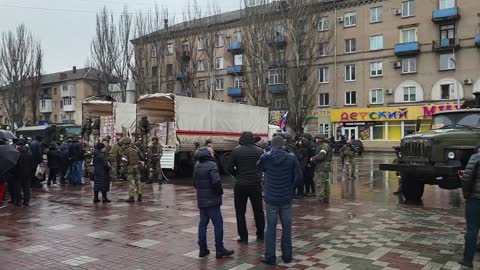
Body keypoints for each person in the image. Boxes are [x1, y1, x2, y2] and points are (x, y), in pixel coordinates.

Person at [257, 136, 301, 265]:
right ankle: (287, 256)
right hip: (286, 198)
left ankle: (270, 257)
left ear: (272, 145)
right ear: (283, 145)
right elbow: (298, 176)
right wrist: (291, 187)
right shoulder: (291, 158)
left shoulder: (267, 157)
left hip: (271, 198)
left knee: (270, 228)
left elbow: (259, 168)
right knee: (287, 228)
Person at [193, 146, 234, 259]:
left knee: (202, 224)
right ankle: (219, 249)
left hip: (202, 200)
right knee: (218, 225)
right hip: (212, 201)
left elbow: (195, 184)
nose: (213, 154)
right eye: (211, 152)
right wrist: (219, 193)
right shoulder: (212, 165)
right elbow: (216, 182)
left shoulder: (196, 166)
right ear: (208, 154)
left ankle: (202, 249)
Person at [227, 132, 265, 244]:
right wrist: (258, 175)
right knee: (258, 211)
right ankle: (261, 235)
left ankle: (243, 237)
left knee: (240, 212)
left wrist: (237, 175)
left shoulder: (236, 150)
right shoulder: (259, 151)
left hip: (240, 185)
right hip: (255, 184)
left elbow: (229, 167)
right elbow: (263, 166)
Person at [459, 149, 480, 268]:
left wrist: (466, 195)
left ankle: (467, 260)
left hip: (475, 200)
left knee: (472, 229)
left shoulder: (476, 158)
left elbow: (467, 179)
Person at [311, 134, 333, 203]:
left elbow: (321, 156)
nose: (316, 140)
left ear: (320, 139)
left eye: (317, 138)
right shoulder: (323, 145)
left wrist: (313, 158)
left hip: (322, 168)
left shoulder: (324, 145)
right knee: (325, 183)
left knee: (319, 183)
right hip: (324, 167)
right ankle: (325, 198)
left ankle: (320, 198)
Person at [121, 137, 144, 203]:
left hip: (130, 168)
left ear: (125, 144)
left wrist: (123, 169)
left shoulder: (126, 151)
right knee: (138, 181)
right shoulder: (136, 148)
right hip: (137, 167)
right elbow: (142, 157)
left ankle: (131, 197)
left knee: (131, 182)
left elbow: (124, 161)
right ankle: (140, 195)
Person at [13, 140, 34, 207]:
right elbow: (32, 164)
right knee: (26, 187)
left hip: (18, 173)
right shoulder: (29, 153)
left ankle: (18, 201)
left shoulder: (16, 153)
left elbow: (14, 164)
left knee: (18, 187)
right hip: (27, 173)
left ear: (18, 145)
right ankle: (26, 201)